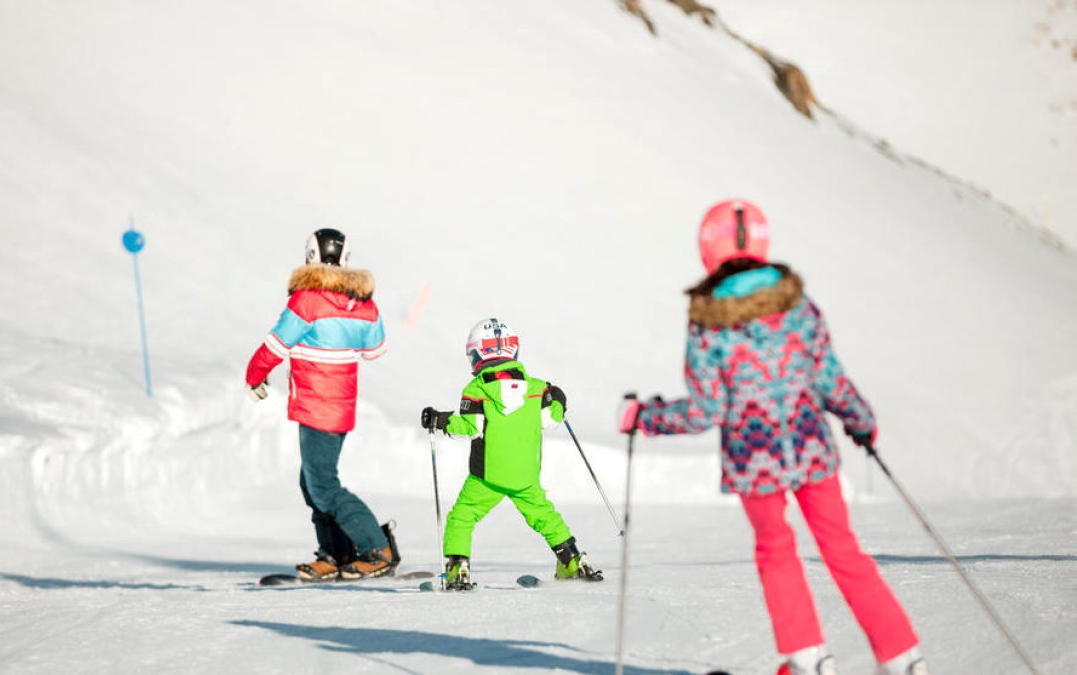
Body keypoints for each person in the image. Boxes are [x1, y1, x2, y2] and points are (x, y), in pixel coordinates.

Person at [619, 200, 928, 675]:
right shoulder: (797, 306)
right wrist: (860, 420)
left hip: (753, 459)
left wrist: (646, 417)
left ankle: (807, 658)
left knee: (775, 548)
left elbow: (706, 410)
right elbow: (829, 378)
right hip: (811, 449)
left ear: (708, 249)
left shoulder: (708, 320)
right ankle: (902, 656)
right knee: (842, 548)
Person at [245, 227, 398, 581]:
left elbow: (275, 346)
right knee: (312, 481)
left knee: (323, 487)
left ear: (310, 257)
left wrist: (255, 376)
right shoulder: (363, 302)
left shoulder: (307, 301)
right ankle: (336, 553)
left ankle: (377, 549)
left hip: (315, 406)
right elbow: (375, 350)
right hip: (341, 408)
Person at [421, 317, 603, 591]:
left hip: (488, 477)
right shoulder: (537, 388)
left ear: (478, 354)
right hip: (526, 475)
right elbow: (552, 419)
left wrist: (439, 420)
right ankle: (573, 562)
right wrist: (559, 399)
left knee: (463, 515)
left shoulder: (477, 390)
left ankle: (458, 568)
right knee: (544, 516)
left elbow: (468, 428)